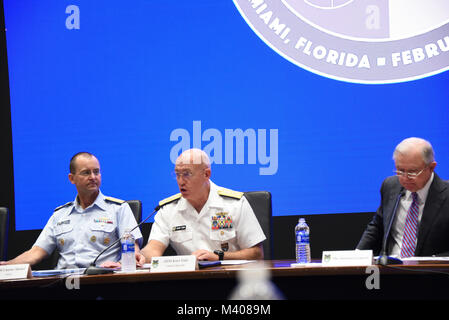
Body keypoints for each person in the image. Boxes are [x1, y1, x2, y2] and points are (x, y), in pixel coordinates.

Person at [0, 152, 144, 269]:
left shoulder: (118, 209)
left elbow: (133, 250)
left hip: (101, 280)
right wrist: (9, 265)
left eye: (96, 172)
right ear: (72, 178)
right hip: (63, 282)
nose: (93, 177)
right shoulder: (60, 214)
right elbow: (37, 252)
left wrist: (119, 265)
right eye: (86, 173)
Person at [140, 148, 266, 262]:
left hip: (230, 277)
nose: (180, 181)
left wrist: (219, 256)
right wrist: (140, 257)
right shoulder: (168, 209)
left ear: (206, 174)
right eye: (177, 174)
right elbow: (153, 248)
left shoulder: (234, 203)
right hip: (188, 280)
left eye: (186, 174)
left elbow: (256, 253)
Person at [357, 137, 449, 257]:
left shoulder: (446, 194)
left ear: (431, 167)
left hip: (431, 271)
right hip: (391, 269)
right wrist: (356, 256)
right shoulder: (390, 186)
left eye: (412, 172)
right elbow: (377, 227)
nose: (405, 178)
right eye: (400, 170)